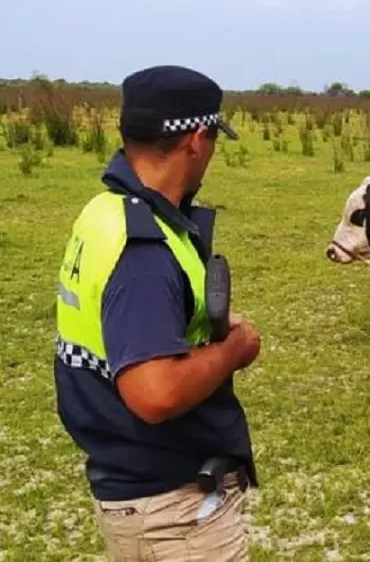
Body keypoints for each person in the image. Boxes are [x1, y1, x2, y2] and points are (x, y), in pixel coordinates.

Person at [53, 65, 262, 560]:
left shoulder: (105, 212)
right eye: (214, 137)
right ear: (195, 140)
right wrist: (233, 351)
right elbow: (154, 392)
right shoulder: (144, 252)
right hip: (175, 514)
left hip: (132, 491)